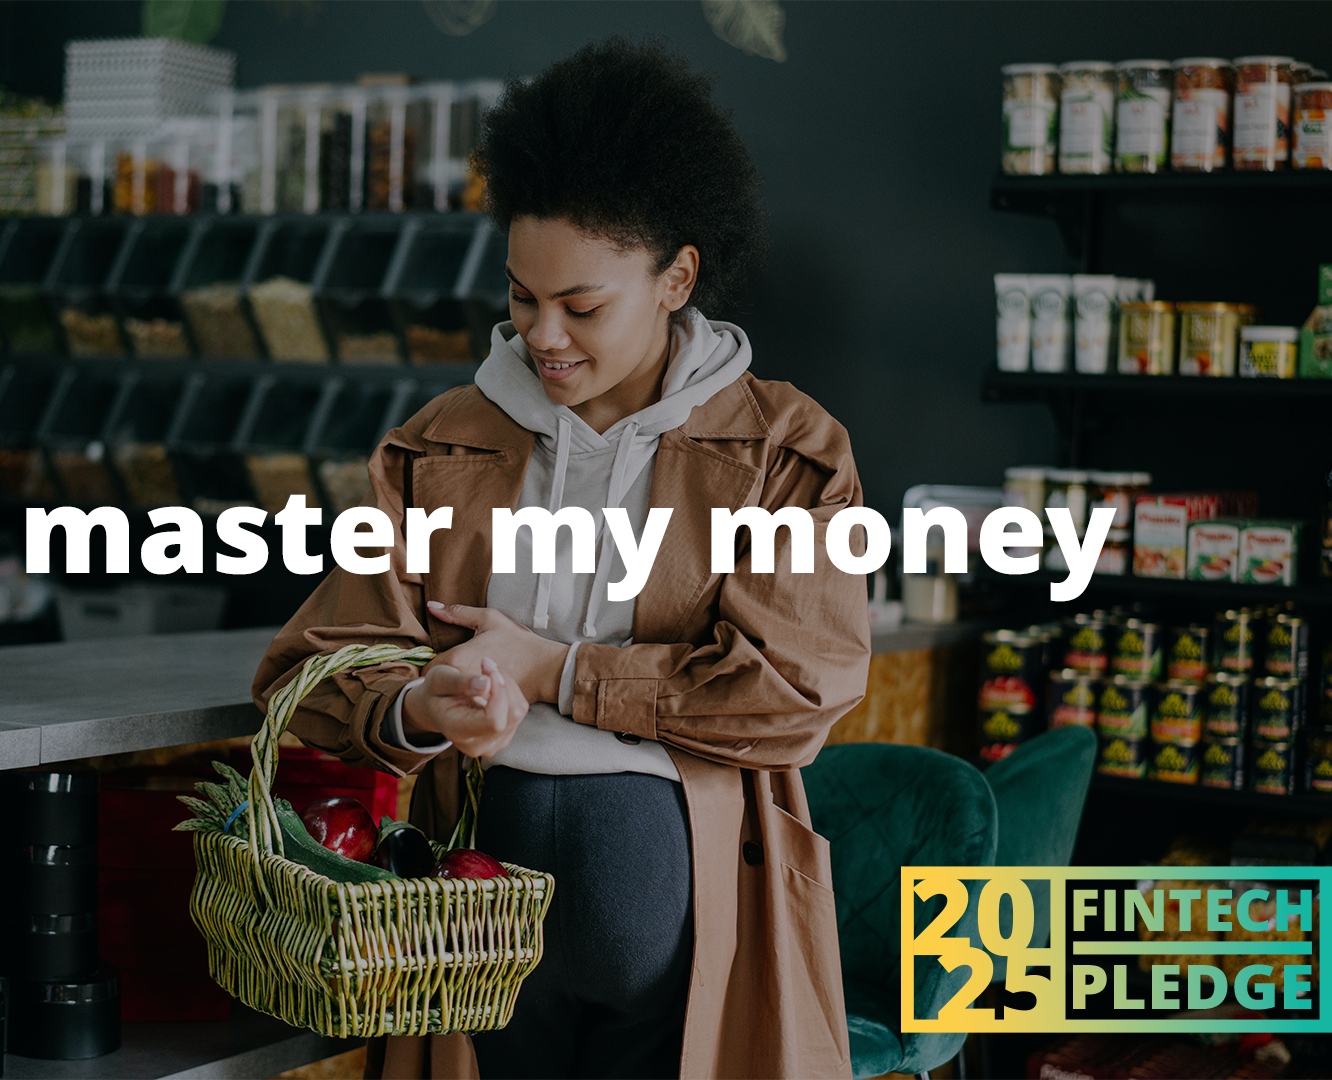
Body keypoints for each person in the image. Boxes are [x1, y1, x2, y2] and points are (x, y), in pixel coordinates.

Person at [253, 37, 870, 1080]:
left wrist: (559, 672)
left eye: (582, 307)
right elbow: (309, 672)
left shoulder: (785, 452)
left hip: (676, 921)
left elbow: (792, 692)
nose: (543, 334)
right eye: (520, 296)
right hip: (471, 923)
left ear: (677, 276)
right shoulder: (441, 442)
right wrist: (419, 707)